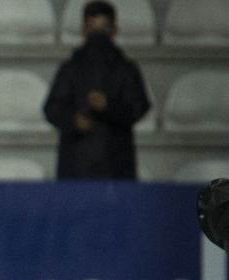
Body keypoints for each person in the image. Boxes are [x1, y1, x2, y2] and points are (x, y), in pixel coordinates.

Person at [43, 0, 150, 180]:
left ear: (114, 30)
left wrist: (109, 106)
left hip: (116, 163)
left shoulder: (126, 69)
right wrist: (73, 119)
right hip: (76, 163)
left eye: (104, 27)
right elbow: (52, 108)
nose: (98, 34)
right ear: (83, 30)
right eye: (92, 27)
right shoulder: (70, 68)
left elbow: (139, 107)